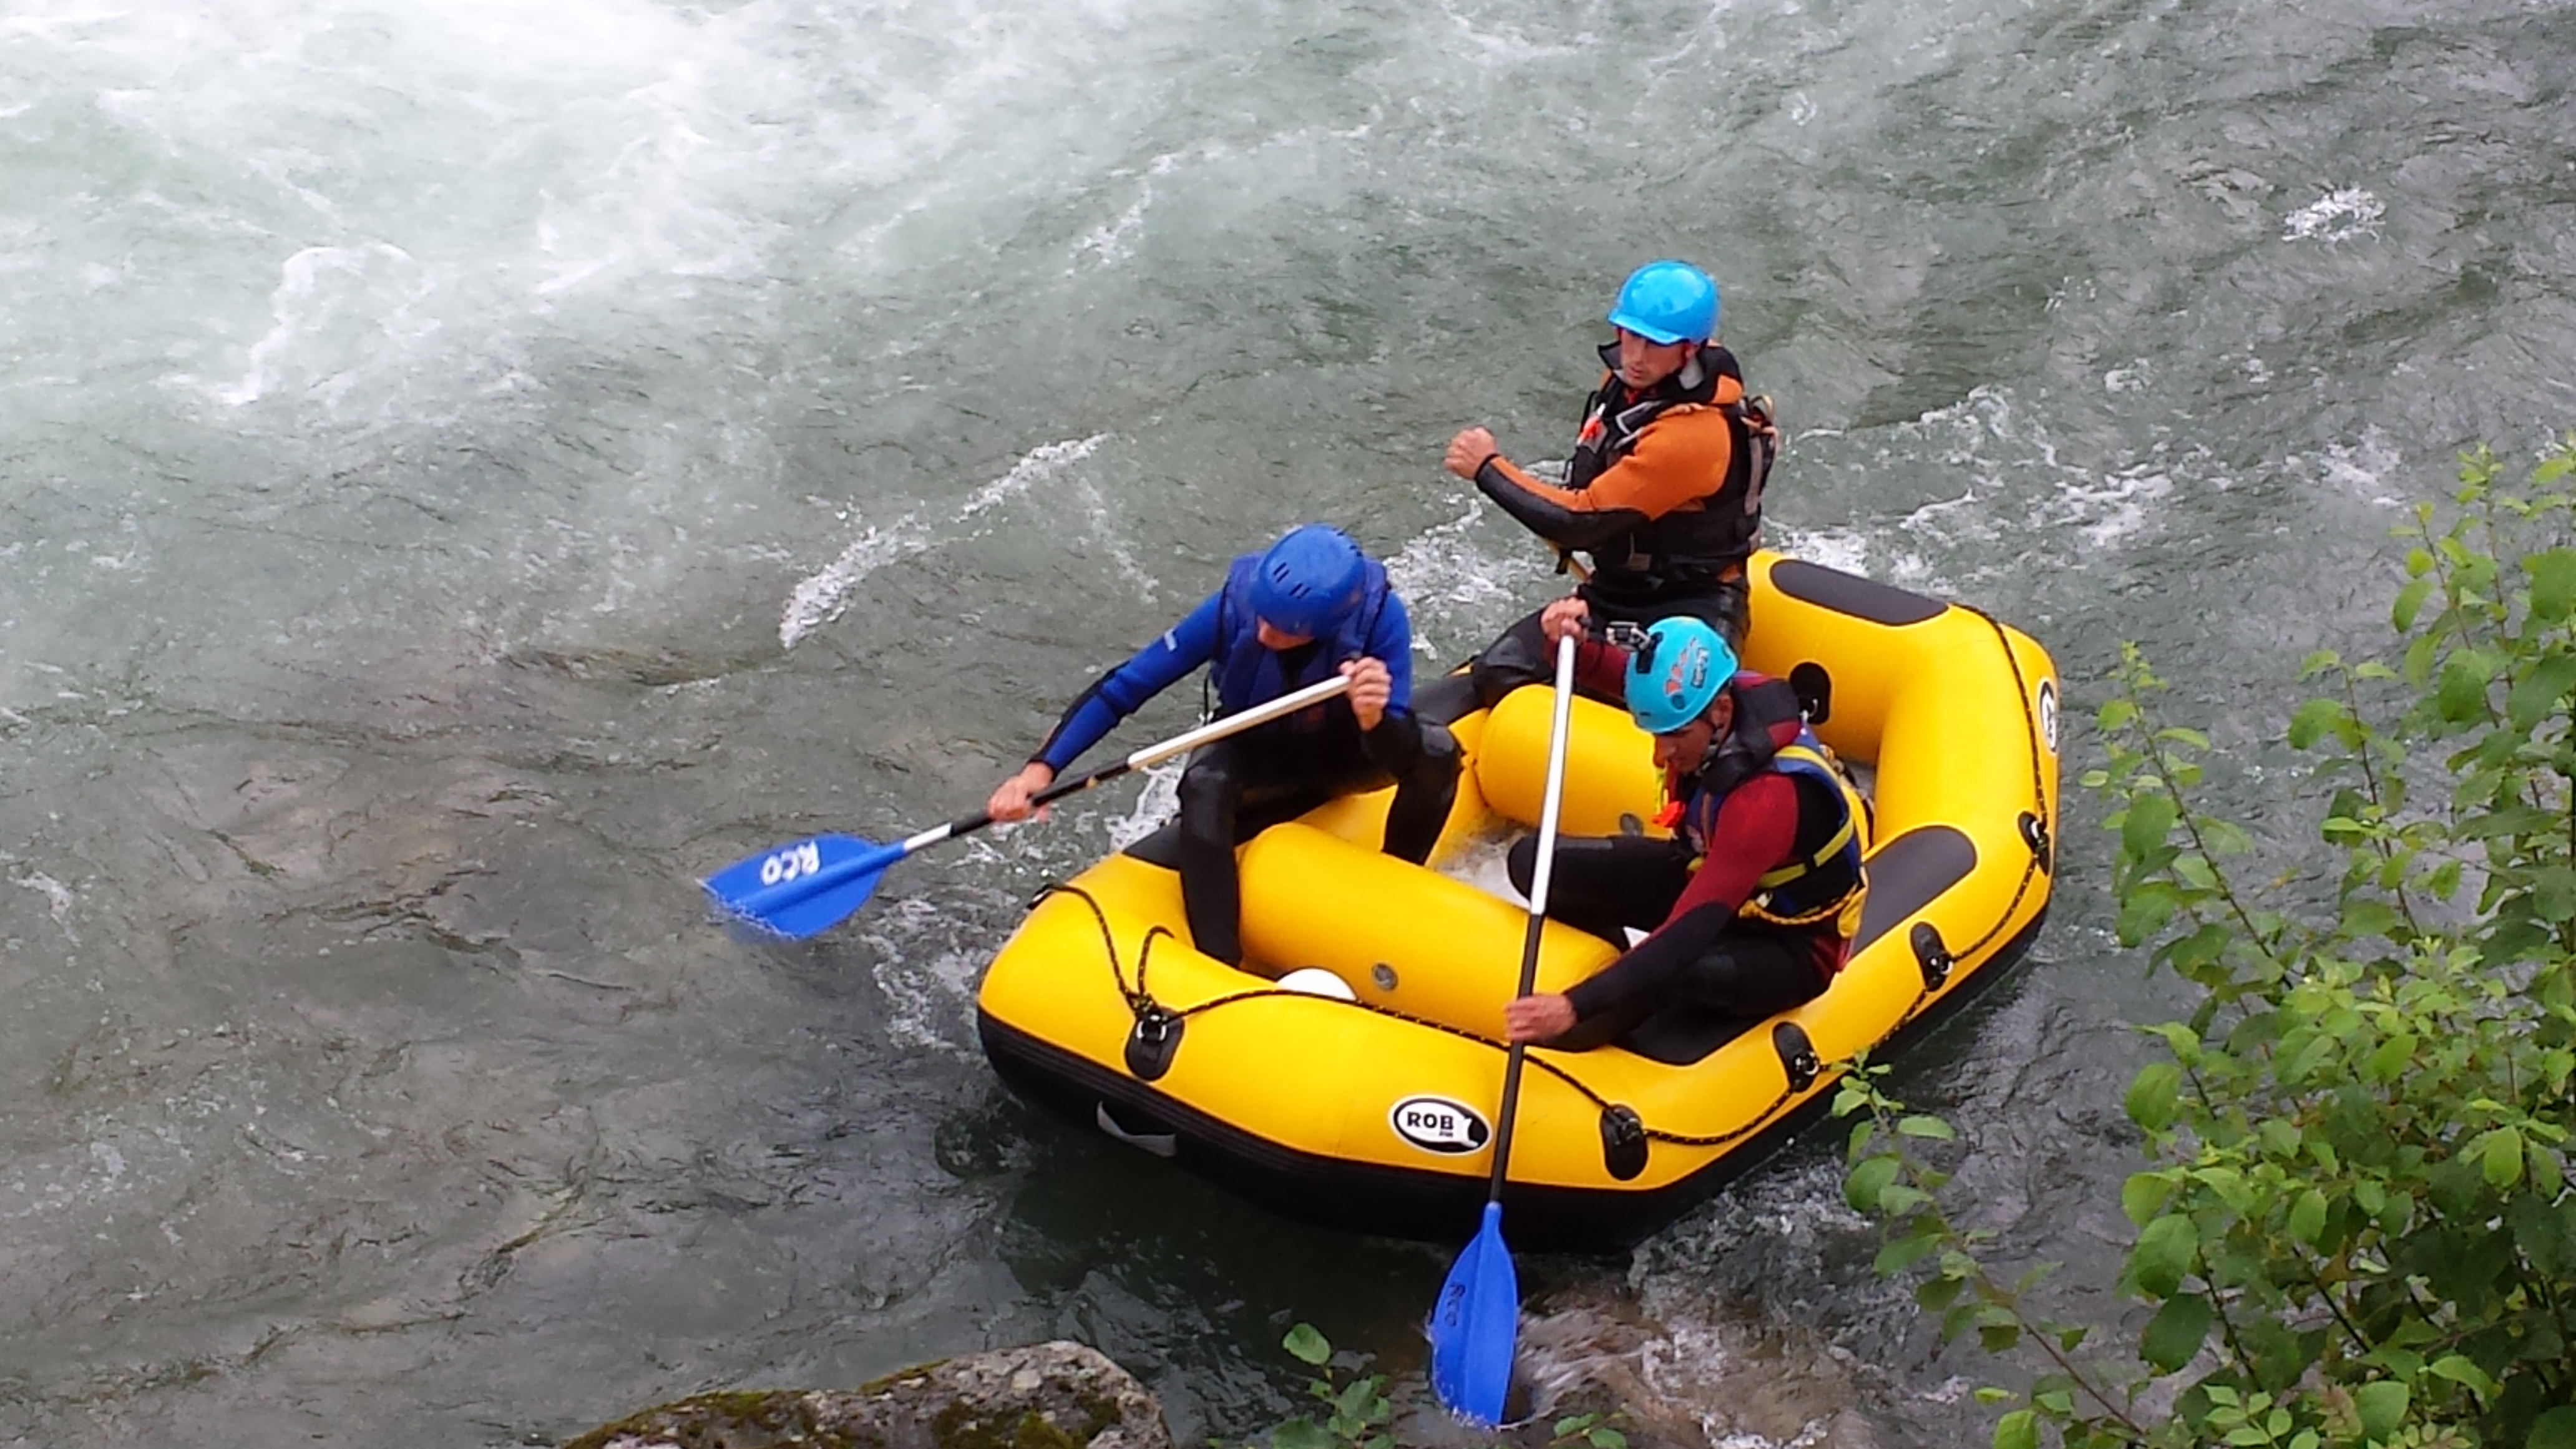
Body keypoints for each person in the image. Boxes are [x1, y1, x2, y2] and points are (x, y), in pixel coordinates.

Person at [987, 523, 1460, 968]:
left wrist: (1374, 717)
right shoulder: (1234, 608)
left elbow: (1399, 755)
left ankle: (1396, 881)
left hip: (1345, 752)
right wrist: (1040, 770)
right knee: (1204, 785)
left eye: (1283, 628)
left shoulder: (1380, 621)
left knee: (1439, 753)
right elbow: (1124, 689)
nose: (1263, 633)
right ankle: (1219, 960)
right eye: (1263, 616)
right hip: (1255, 750)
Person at [1500, 613, 1865, 1051]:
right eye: (1656, 734)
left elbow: (1688, 933)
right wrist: (1566, 639)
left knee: (1672, 972)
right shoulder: (1703, 700)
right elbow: (1604, 669)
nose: (1662, 753)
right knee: (1534, 863)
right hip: (1709, 880)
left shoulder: (1766, 801)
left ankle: (1581, 1040)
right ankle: (1613, 969)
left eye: (1676, 735)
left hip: (1787, 946)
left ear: (1721, 712)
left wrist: (1575, 1006)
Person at [1443, 259, 1778, 710]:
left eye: (1654, 344)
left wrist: (1488, 468)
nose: (1635, 357)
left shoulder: (1694, 436)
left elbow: (1579, 523)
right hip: (1615, 592)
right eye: (1629, 335)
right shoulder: (1633, 384)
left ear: (1690, 350)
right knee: (1497, 672)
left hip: (1690, 608)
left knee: (1662, 708)